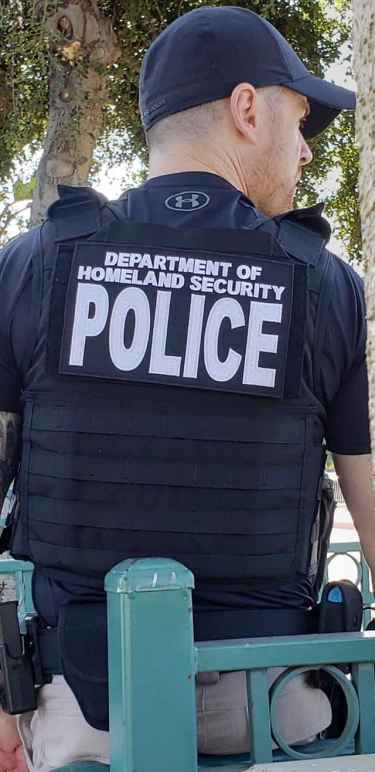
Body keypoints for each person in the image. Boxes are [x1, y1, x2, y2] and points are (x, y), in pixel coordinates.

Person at [0, 5, 373, 771]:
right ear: (245, 108)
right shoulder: (327, 285)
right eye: (297, 119)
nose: (304, 151)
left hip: (81, 710)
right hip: (272, 711)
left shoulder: (32, 264)